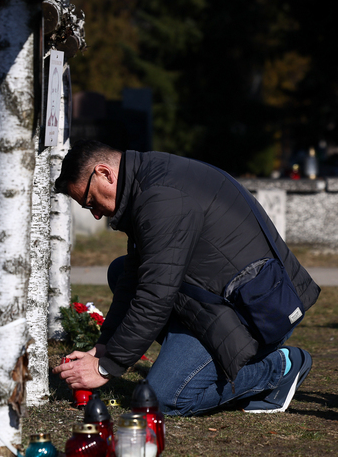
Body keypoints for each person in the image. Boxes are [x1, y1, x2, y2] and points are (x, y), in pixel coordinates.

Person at [51, 139, 321, 416]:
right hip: (221, 297)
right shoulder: (147, 179)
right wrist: (104, 347)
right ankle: (191, 362)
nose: (96, 215)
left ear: (104, 173)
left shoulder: (162, 198)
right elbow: (135, 275)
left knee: (163, 398)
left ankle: (280, 367)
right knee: (120, 272)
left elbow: (155, 295)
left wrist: (106, 368)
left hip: (258, 311)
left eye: (91, 201)